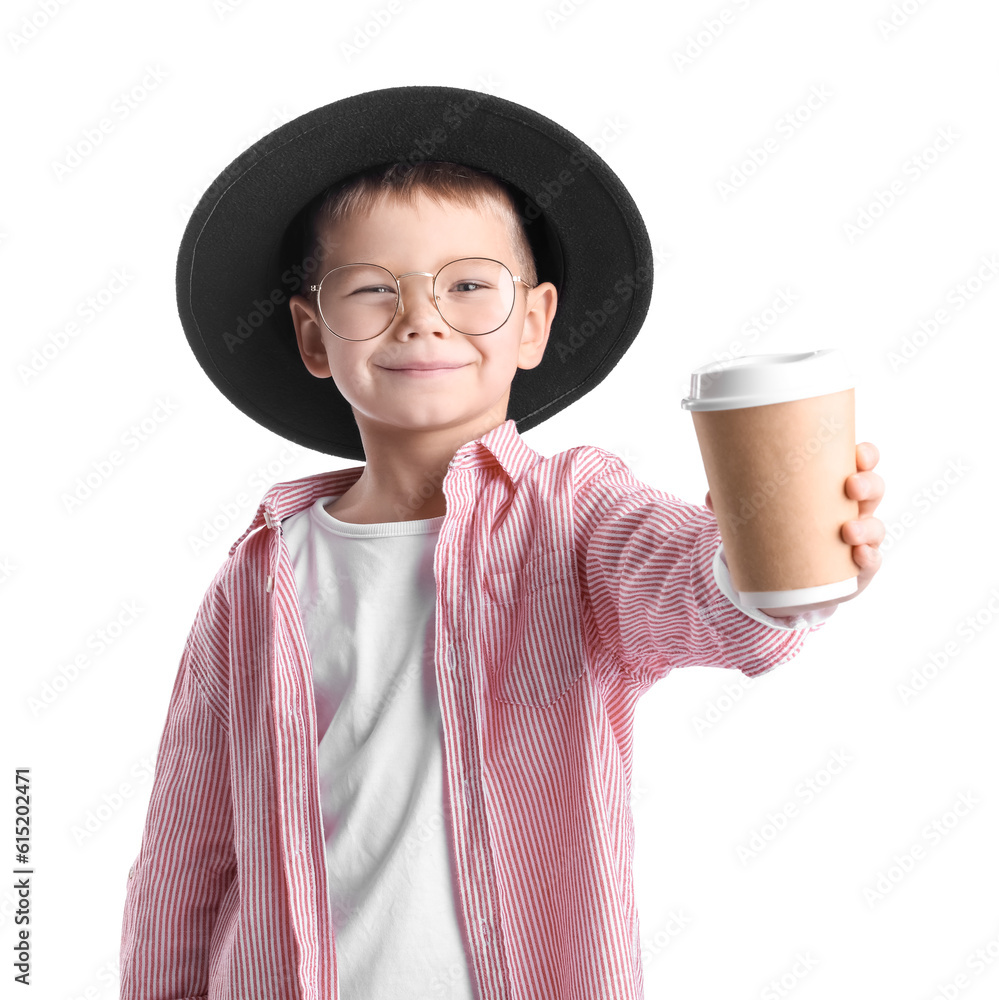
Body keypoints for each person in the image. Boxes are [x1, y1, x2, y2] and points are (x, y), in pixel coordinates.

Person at [119, 86, 885, 1000]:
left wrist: (773, 561)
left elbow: (693, 589)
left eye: (470, 284)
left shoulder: (574, 517)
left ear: (533, 322)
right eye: (372, 290)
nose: (422, 317)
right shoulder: (257, 577)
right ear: (312, 336)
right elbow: (185, 856)